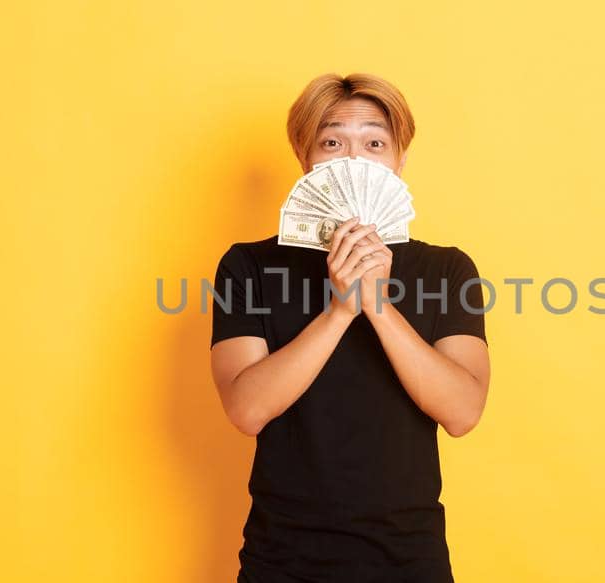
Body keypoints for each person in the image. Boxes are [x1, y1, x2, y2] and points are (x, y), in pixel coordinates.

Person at [209, 73, 492, 582]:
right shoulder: (247, 266)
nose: (354, 161)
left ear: (400, 160)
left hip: (410, 558)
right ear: (305, 158)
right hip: (282, 558)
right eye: (333, 142)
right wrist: (339, 309)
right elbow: (246, 409)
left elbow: (462, 412)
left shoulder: (446, 270)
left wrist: (378, 305)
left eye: (375, 143)